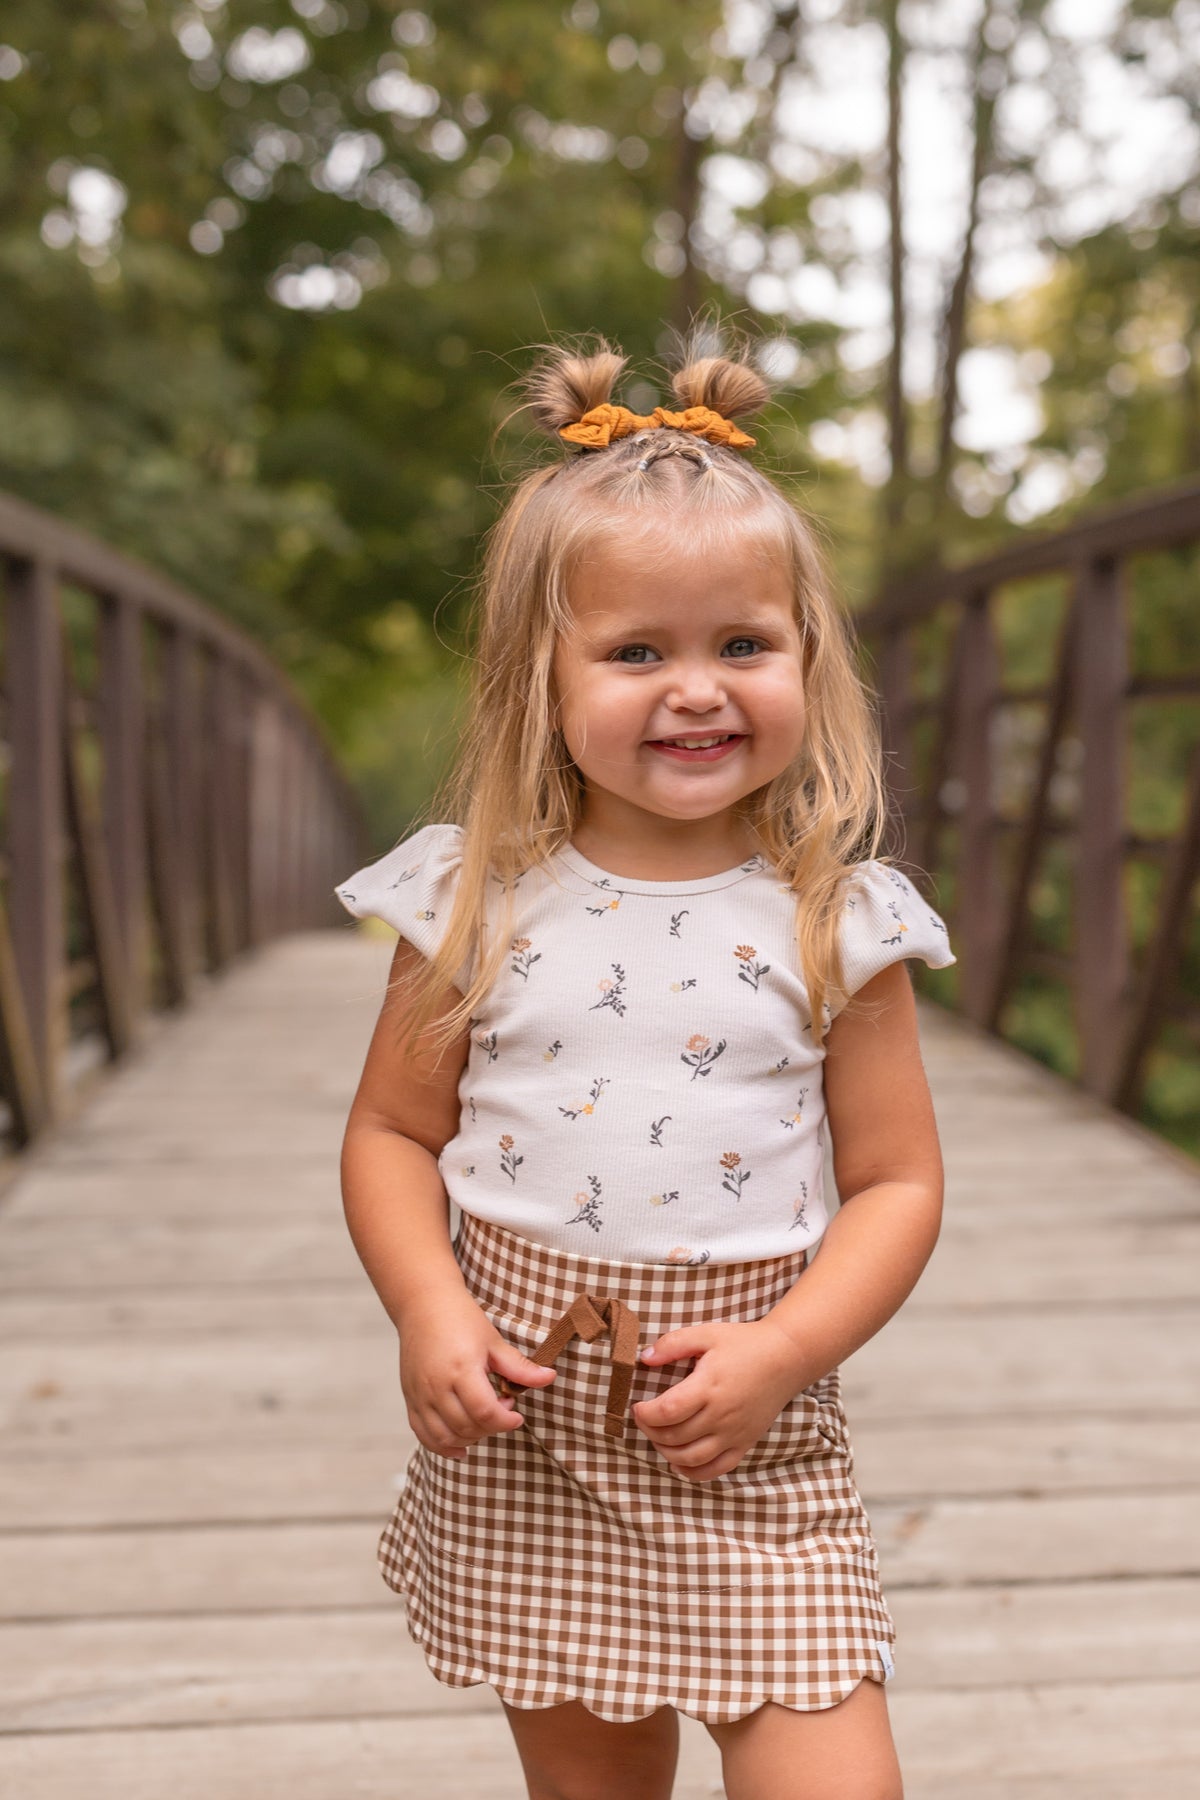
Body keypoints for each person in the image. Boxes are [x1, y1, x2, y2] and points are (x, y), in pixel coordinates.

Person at [336, 326, 955, 1800]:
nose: (697, 690)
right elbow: (389, 1136)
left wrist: (785, 1352)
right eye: (636, 652)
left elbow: (899, 1183)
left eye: (743, 644)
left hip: (750, 1416)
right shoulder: (471, 897)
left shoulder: (836, 917)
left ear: (809, 660)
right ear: (536, 679)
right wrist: (428, 1312)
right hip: (531, 1409)